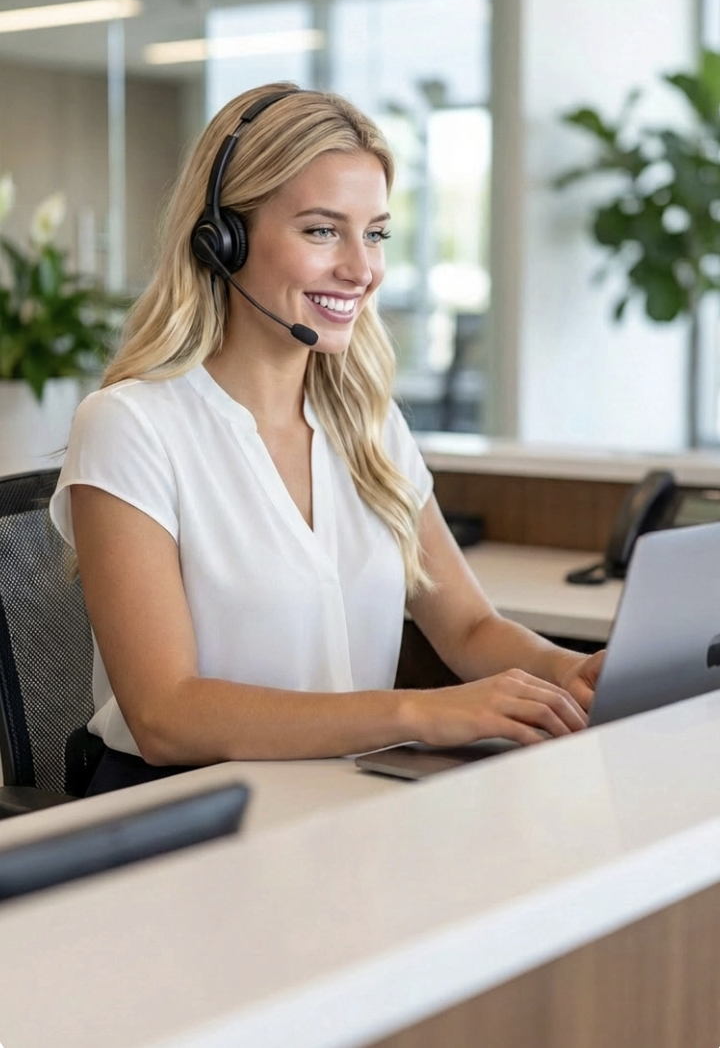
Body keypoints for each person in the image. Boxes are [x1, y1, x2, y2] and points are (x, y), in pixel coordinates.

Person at [50, 82, 604, 795]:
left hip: (343, 799)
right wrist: (420, 713)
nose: (362, 268)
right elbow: (166, 714)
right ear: (224, 240)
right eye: (321, 230)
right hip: (185, 815)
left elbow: (466, 627)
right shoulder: (131, 426)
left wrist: (569, 672)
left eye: (374, 232)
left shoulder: (367, 424)